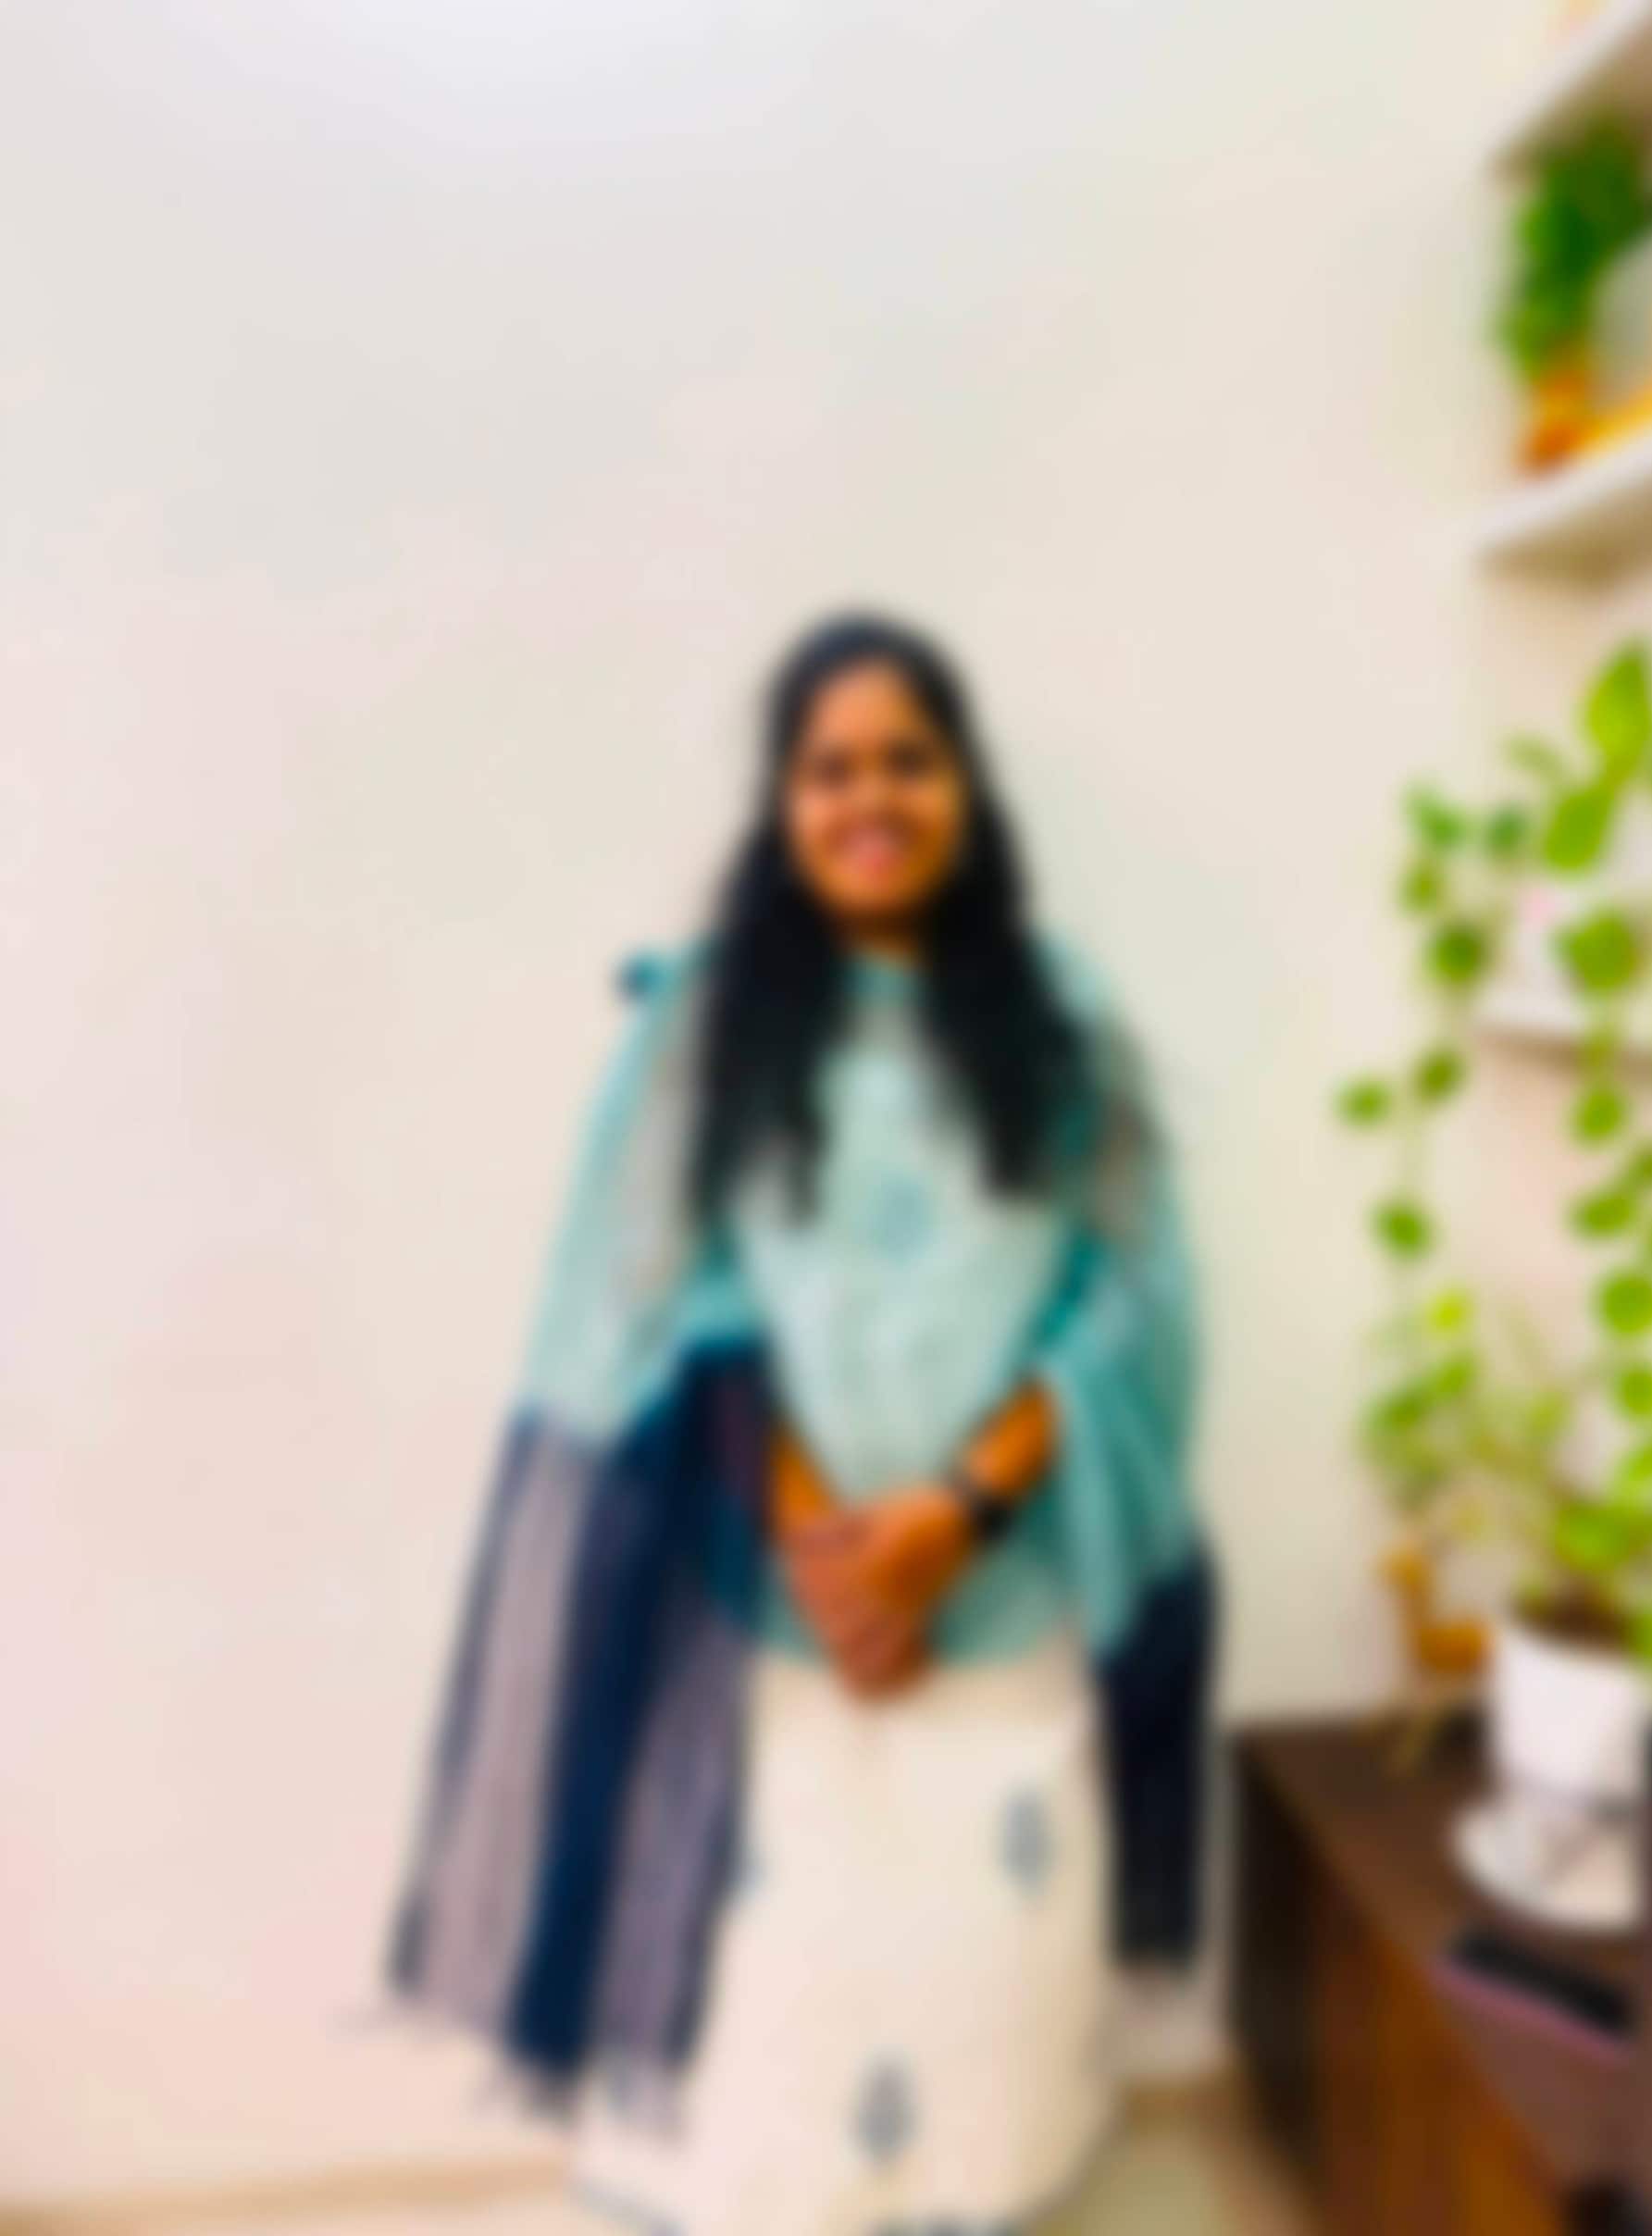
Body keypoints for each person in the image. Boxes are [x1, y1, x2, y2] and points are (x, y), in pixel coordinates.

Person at [384, 612, 1214, 2236]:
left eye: (909, 758)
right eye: (830, 769)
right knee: (780, 2034)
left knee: (985, 2015)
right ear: (782, 804)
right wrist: (837, 1558)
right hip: (763, 1619)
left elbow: (1131, 1295)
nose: (871, 798)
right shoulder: (706, 1022)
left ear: (966, 785)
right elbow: (660, 1299)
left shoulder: (1059, 1014)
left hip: (1004, 1607)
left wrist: (957, 1515)